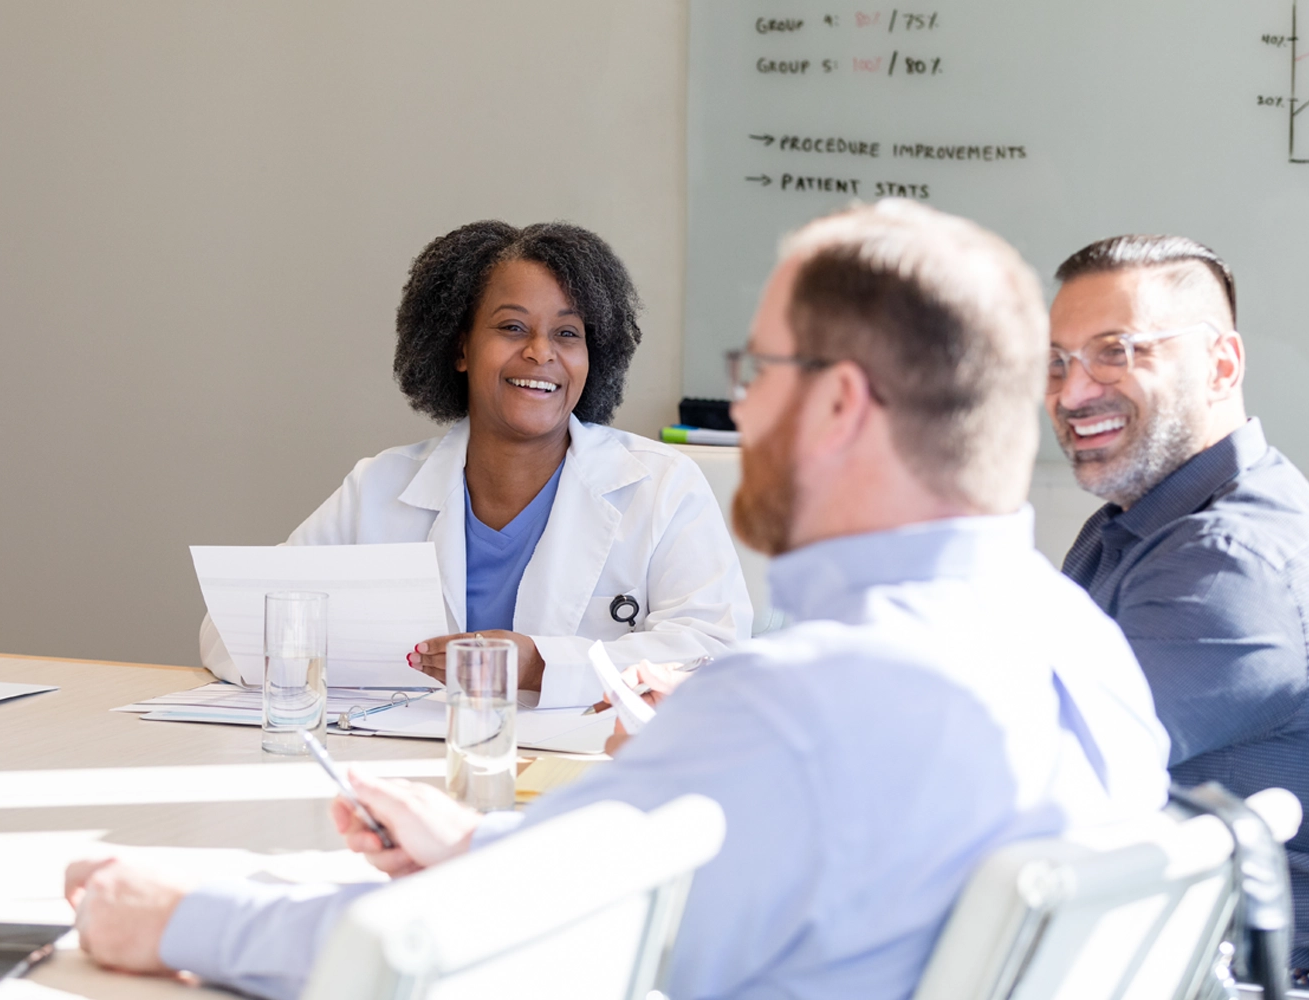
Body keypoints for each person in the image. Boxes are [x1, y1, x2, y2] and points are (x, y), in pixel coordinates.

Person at [68, 201, 1171, 1000]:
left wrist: (180, 913)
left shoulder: (801, 706)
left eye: (761, 367)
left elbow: (476, 940)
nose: (741, 401)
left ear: (837, 403)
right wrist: (486, 844)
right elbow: (690, 876)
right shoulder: (1084, 649)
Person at [200, 221, 752, 707]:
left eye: (567, 333)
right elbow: (233, 630)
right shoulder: (380, 487)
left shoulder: (660, 487)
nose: (541, 352)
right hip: (406, 768)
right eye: (512, 327)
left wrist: (541, 665)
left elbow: (713, 652)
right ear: (460, 349)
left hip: (585, 776)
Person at [1045, 233, 1309, 987]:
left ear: (1222, 365)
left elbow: (1039, 775)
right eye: (1057, 361)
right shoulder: (1145, 524)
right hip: (1142, 938)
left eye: (1116, 350)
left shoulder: (1230, 563)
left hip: (1209, 969)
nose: (1072, 393)